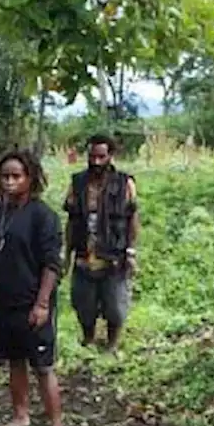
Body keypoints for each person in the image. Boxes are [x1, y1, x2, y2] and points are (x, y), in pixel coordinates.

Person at [0, 150, 71, 426]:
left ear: (30, 179)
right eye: (5, 176)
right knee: (15, 362)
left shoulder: (43, 216)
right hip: (5, 304)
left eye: (16, 176)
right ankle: (20, 415)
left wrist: (42, 304)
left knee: (43, 367)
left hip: (33, 303)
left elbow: (51, 265)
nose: (9, 182)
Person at [63, 134, 140, 352]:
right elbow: (71, 220)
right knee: (83, 305)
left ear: (110, 156)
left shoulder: (124, 183)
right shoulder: (77, 183)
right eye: (92, 156)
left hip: (114, 256)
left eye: (101, 156)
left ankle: (112, 346)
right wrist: (66, 255)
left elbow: (132, 218)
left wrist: (131, 252)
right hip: (84, 255)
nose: (96, 161)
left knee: (115, 306)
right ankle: (88, 340)